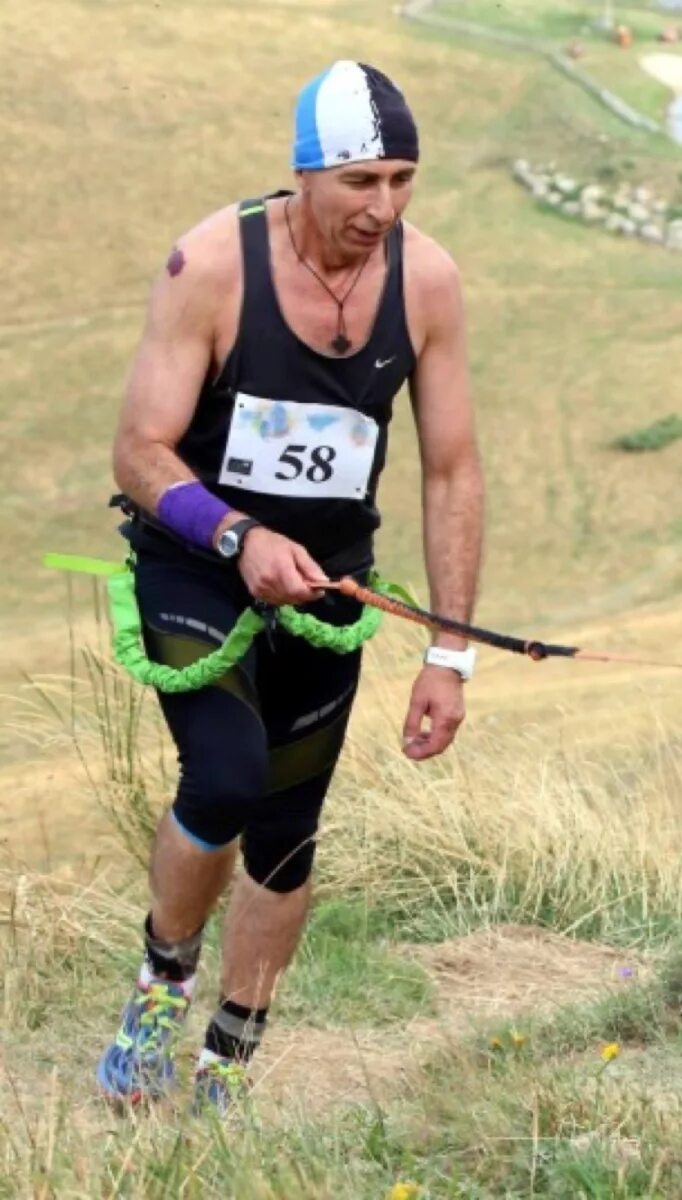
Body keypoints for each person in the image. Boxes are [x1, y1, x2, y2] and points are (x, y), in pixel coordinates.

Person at [97, 61, 484, 1113]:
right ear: (304, 173)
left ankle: (227, 1061)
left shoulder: (428, 282)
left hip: (328, 594)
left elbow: (450, 470)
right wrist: (236, 535)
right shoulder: (213, 265)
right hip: (196, 563)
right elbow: (139, 451)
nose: (385, 207)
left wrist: (449, 655)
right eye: (362, 182)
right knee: (222, 777)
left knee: (286, 829)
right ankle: (158, 988)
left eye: (403, 179)